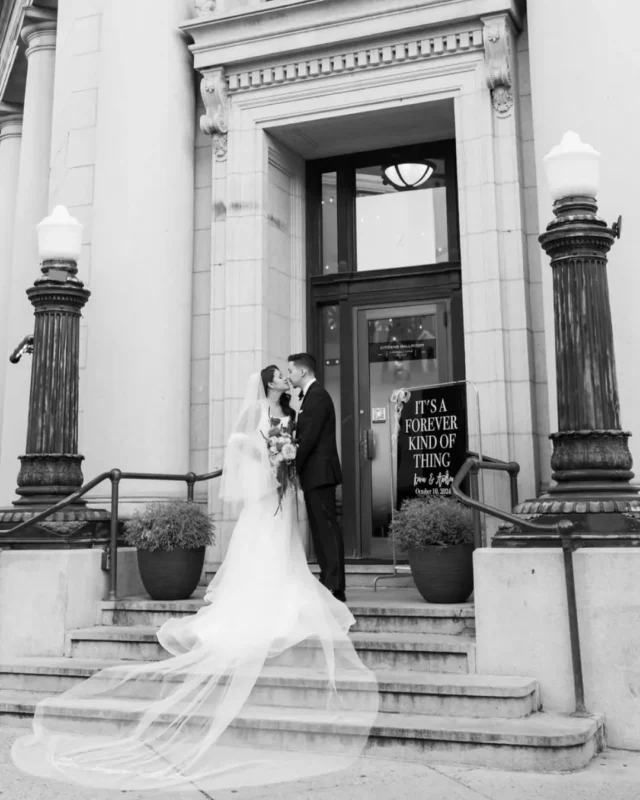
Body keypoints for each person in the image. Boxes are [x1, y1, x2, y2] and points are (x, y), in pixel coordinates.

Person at [11, 367, 378, 795]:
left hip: (282, 492)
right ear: (267, 383)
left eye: (286, 372)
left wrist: (284, 453)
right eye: (278, 374)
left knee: (286, 548)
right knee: (265, 548)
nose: (284, 376)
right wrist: (272, 455)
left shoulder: (291, 406)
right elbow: (242, 443)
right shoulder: (262, 409)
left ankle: (289, 591)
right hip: (267, 495)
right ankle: (262, 602)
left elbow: (292, 440)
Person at [287, 353, 346, 602]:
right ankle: (328, 579)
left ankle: (334, 584)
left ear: (302, 372)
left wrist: (292, 468)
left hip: (320, 474)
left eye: (290, 371)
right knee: (321, 529)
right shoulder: (312, 396)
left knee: (326, 528)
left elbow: (308, 438)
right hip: (315, 474)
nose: (289, 376)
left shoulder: (318, 396)